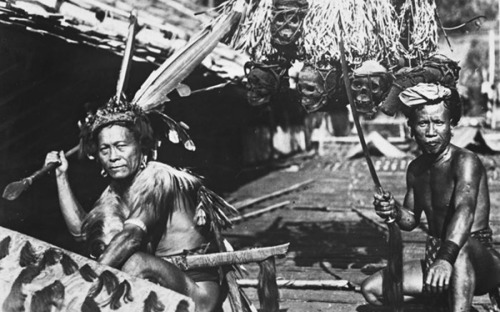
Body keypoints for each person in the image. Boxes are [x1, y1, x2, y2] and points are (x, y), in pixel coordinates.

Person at [45, 98, 231, 312]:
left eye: (121, 146)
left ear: (141, 147)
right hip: (162, 289)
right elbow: (82, 233)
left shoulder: (157, 178)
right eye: (105, 149)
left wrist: (84, 284)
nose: (113, 157)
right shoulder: (114, 191)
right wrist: (61, 177)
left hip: (197, 296)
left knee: (134, 262)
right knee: (114, 257)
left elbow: (131, 238)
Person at [361, 83, 500, 311]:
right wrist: (394, 210)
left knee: (461, 249)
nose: (431, 132)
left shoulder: (465, 161)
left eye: (438, 123)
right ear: (411, 127)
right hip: (438, 255)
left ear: (451, 125)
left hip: (477, 258)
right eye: (423, 123)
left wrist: (446, 259)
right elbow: (410, 221)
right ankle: (443, 303)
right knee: (372, 289)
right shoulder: (416, 169)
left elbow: (465, 210)